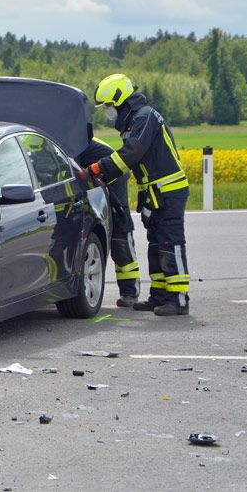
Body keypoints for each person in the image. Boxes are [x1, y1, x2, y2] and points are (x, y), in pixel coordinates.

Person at [85, 73, 190, 316]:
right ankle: (160, 295)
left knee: (170, 244)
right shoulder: (135, 120)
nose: (108, 111)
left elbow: (132, 153)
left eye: (109, 106)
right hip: (154, 193)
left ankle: (179, 299)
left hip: (169, 191)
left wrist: (99, 168)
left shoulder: (145, 117)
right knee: (156, 245)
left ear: (120, 100)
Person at [78, 127, 140, 307]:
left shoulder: (75, 142)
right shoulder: (69, 136)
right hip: (101, 176)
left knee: (120, 229)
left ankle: (130, 291)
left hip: (114, 176)